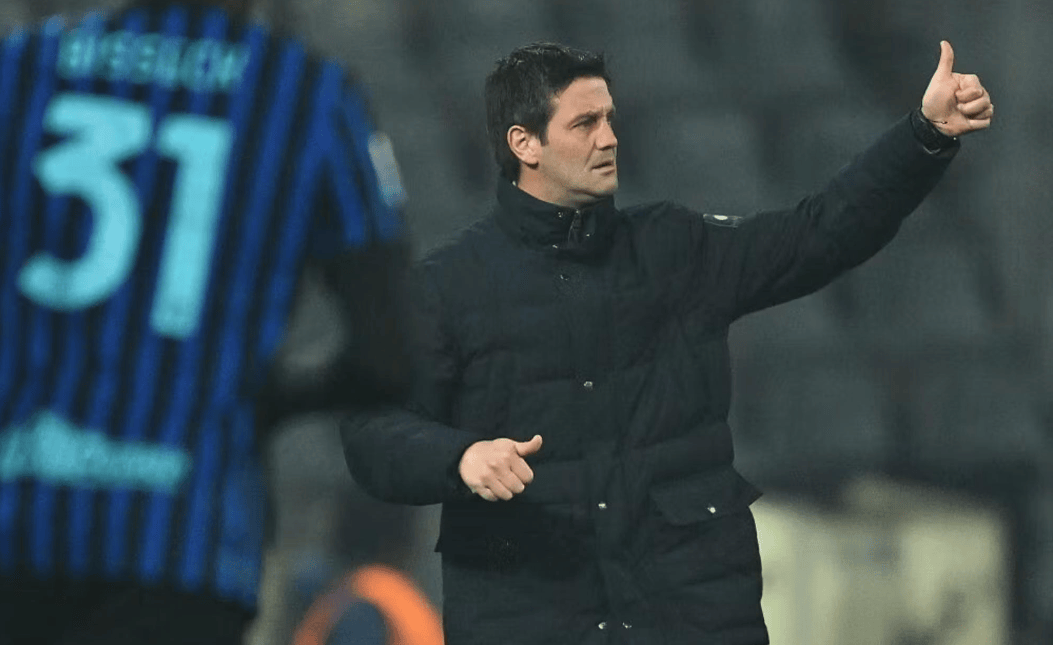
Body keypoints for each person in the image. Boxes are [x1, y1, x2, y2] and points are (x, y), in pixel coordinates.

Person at [341, 40, 993, 645]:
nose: (609, 138)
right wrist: (459, 458)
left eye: (610, 119)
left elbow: (818, 234)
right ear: (524, 143)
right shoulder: (447, 289)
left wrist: (924, 135)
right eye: (584, 123)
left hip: (689, 620)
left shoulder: (676, 248)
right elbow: (370, 430)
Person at [0, 0, 410, 643]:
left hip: (19, 520)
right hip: (185, 545)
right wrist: (271, 397)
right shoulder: (311, 98)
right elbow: (392, 355)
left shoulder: (22, 68)